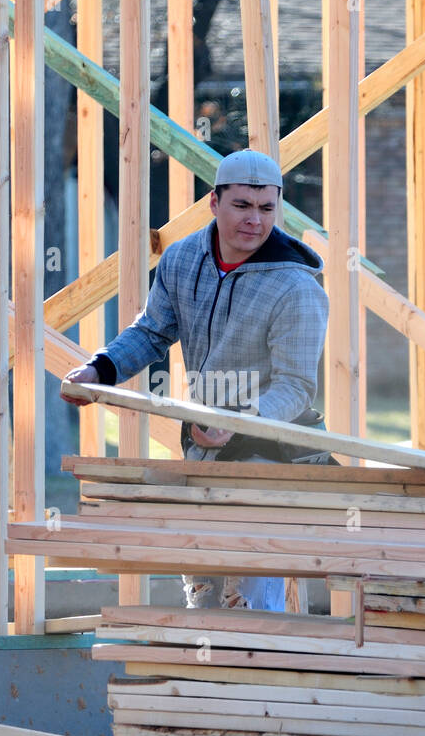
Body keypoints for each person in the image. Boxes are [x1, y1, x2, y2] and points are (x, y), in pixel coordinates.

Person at [62, 149, 330, 612]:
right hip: (203, 448)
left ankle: (254, 675)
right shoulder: (183, 260)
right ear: (214, 202)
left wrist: (240, 419)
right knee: (202, 588)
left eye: (267, 208)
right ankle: (205, 673)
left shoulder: (297, 287)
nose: (255, 220)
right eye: (242, 205)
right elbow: (151, 332)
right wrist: (100, 368)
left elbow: (296, 387)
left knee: (247, 594)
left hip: (271, 451)